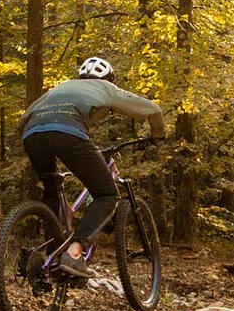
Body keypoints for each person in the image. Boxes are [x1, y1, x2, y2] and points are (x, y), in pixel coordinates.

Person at [19, 57, 164, 279]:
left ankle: (51, 257)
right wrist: (157, 136)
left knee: (52, 193)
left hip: (32, 135)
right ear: (108, 79)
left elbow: (22, 121)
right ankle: (74, 253)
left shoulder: (59, 88)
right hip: (68, 133)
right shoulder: (105, 87)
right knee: (107, 194)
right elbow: (152, 110)